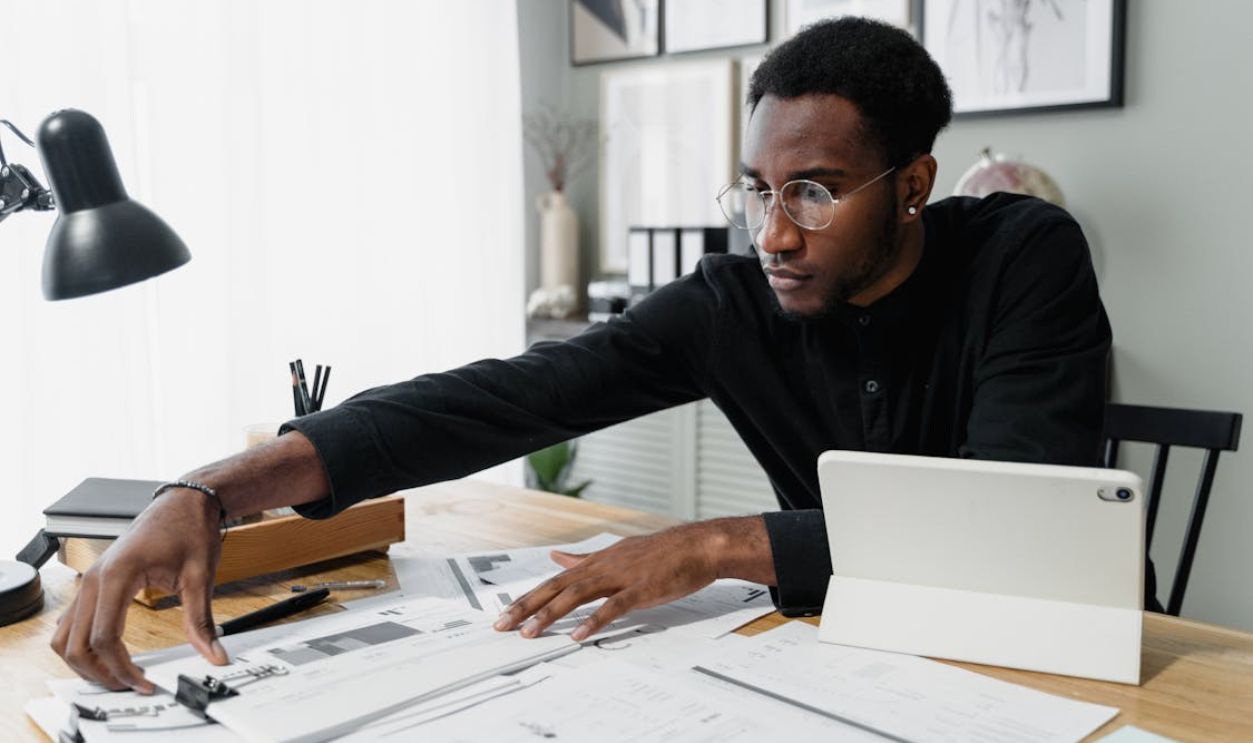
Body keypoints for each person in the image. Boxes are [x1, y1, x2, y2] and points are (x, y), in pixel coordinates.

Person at [52, 16, 1120, 694]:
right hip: (861, 653)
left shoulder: (1024, 253)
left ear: (914, 186)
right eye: (756, 188)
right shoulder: (732, 300)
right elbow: (506, 399)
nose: (773, 233)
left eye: (812, 191)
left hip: (1055, 644)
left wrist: (707, 546)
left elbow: (1004, 513)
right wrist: (207, 490)